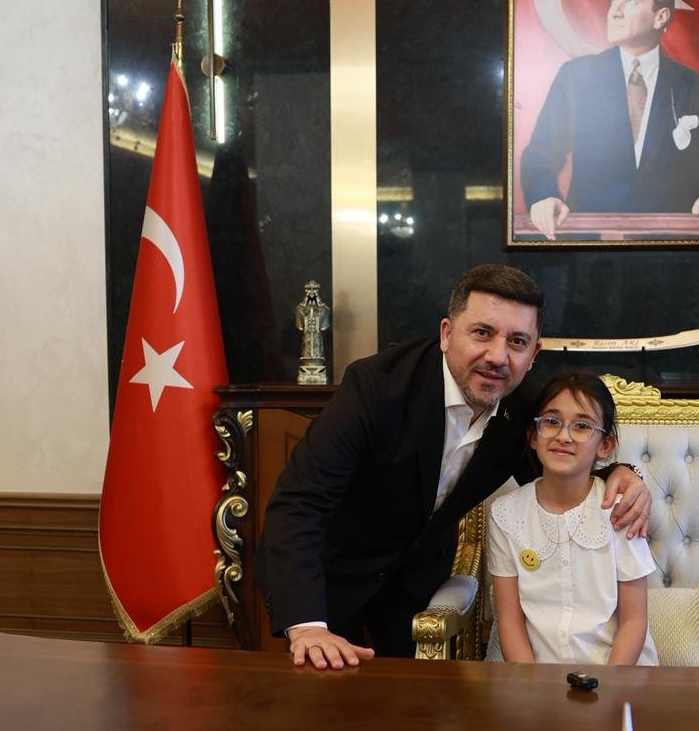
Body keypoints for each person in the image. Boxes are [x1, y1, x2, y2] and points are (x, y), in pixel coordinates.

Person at [257, 264, 652, 670]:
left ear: (534, 354)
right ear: (447, 334)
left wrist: (621, 474)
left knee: (414, 706)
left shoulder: (523, 412)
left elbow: (561, 470)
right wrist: (306, 625)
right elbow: (300, 503)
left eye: (517, 341)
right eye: (482, 333)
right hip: (326, 574)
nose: (497, 356)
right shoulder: (375, 387)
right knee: (321, 700)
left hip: (415, 586)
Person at [520, 0, 699, 240]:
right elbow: (541, 151)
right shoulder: (576, 76)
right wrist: (543, 195)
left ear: (661, 17)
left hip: (666, 242)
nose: (614, 11)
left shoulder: (693, 85)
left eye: (630, 1)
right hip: (590, 239)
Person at [487, 373, 659, 665]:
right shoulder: (506, 513)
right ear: (533, 435)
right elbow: (510, 622)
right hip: (536, 678)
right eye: (552, 421)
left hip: (618, 674)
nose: (564, 436)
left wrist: (609, 684)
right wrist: (531, 684)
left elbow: (633, 621)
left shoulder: (621, 509)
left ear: (605, 445)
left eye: (582, 426)